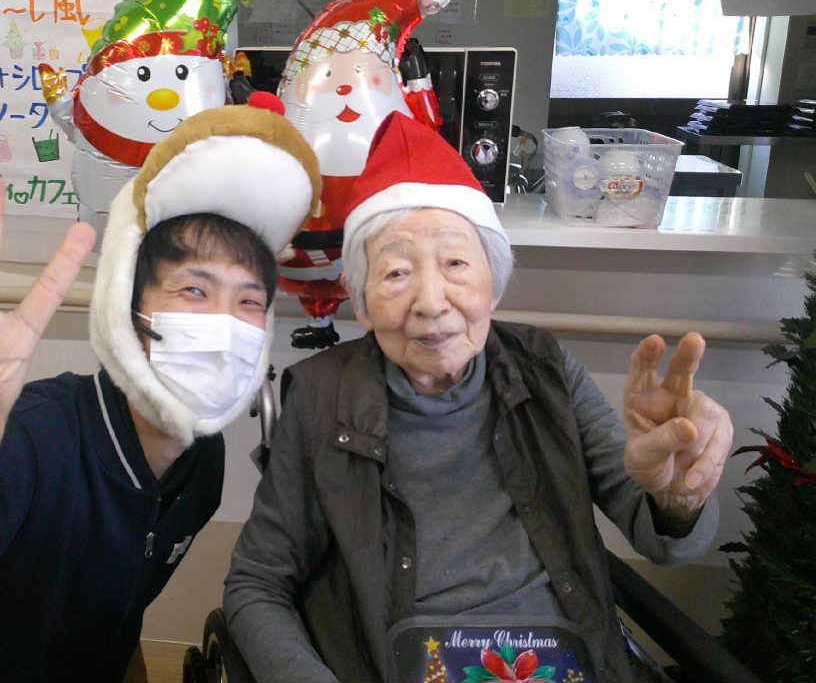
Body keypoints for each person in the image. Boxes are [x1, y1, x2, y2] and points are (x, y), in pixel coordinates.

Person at [0, 100, 320, 682]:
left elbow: (115, 617)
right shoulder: (17, 450)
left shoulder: (201, 464)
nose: (225, 322)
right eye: (194, 290)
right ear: (127, 309)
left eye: (249, 301)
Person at [223, 112, 734, 683]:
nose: (431, 302)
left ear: (494, 282)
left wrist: (677, 498)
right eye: (396, 273)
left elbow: (664, 542)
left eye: (456, 264)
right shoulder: (321, 398)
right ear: (360, 303)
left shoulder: (546, 371)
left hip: (560, 656)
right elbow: (256, 584)